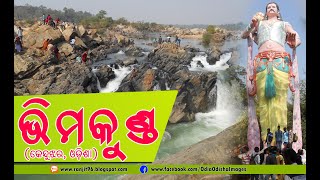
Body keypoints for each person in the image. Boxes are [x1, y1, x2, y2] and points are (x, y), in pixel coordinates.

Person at [242, 2, 301, 148]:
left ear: (278, 12)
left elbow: (297, 39)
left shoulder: (284, 24)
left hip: (280, 63)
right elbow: (244, 35)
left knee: (280, 102)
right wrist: (252, 24)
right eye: (268, 7)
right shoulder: (259, 24)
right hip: (262, 65)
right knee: (263, 104)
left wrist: (294, 42)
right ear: (266, 12)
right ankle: (266, 144)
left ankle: (280, 144)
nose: (271, 8)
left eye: (274, 6)